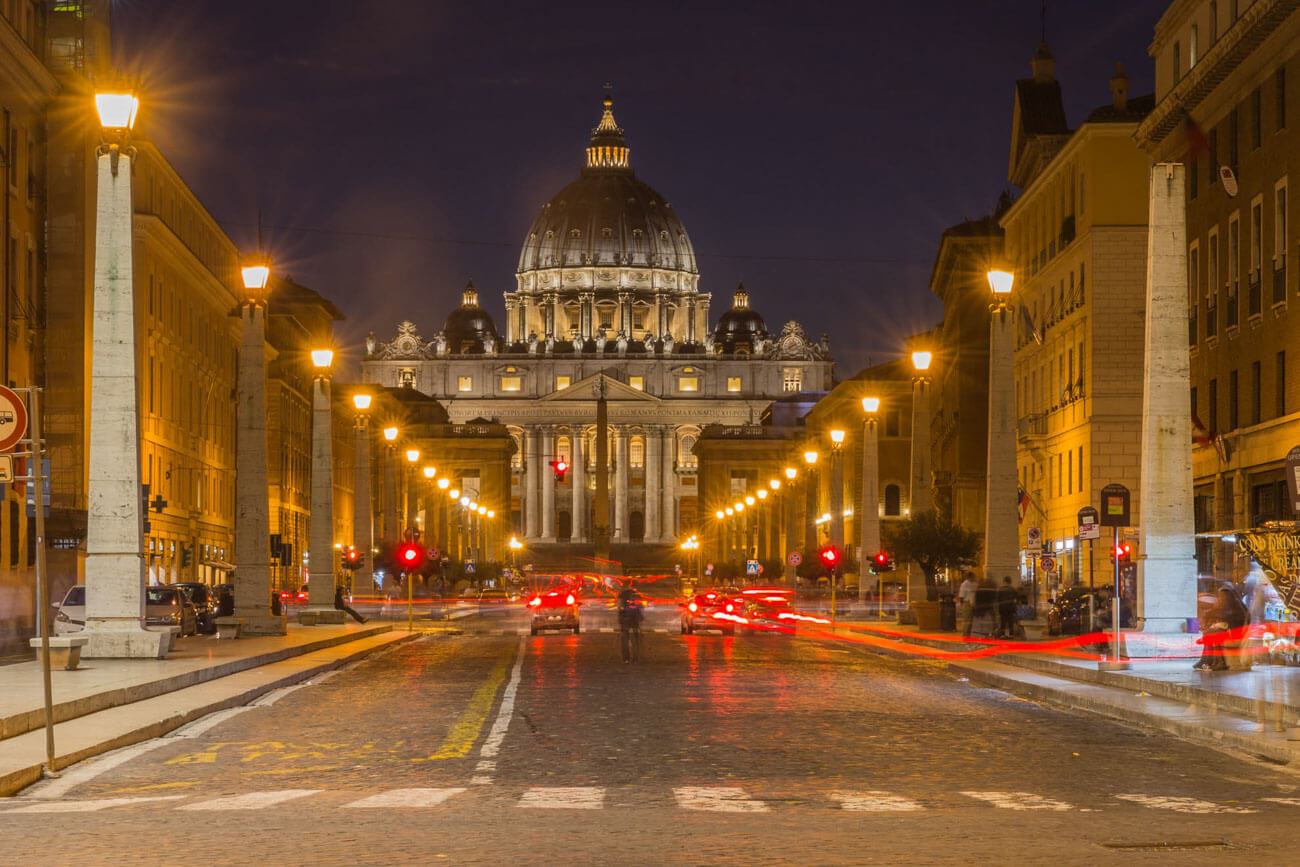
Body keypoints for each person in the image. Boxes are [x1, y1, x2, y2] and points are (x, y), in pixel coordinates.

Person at [1195, 587, 1249, 671]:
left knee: (1209, 634)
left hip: (1235, 633)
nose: (1219, 598)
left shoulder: (1235, 609)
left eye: (1221, 596)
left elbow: (1232, 622)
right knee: (1209, 633)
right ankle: (1208, 661)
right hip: (1229, 631)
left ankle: (1210, 661)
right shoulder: (1229, 607)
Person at [616, 583, 644, 663]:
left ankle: (626, 658)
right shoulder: (636, 594)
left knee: (625, 639)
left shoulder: (622, 594)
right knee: (636, 639)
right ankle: (636, 657)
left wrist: (620, 618)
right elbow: (640, 607)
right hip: (635, 619)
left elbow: (620, 606)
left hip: (625, 619)